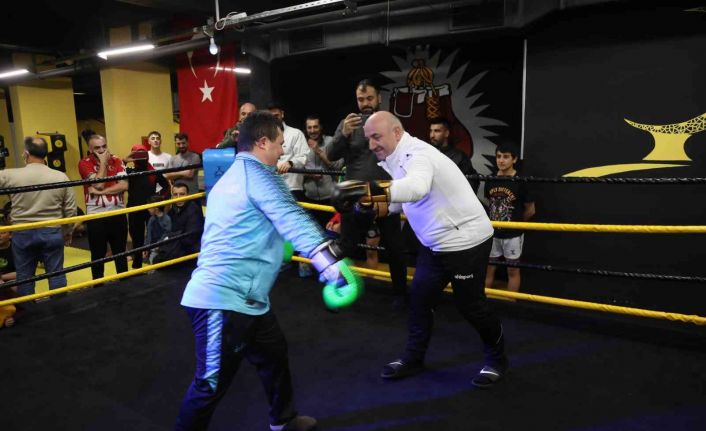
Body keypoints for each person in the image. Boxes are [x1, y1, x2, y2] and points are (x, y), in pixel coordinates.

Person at [176, 110, 356, 431]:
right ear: (262, 142)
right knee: (209, 384)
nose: (283, 151)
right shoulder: (258, 175)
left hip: (250, 300)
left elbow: (260, 227)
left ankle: (283, 421)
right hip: (221, 300)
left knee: (273, 355)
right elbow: (293, 219)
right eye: (279, 144)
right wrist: (331, 266)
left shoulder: (234, 175)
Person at [331, 111, 508, 388]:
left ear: (397, 133)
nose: (372, 144)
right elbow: (400, 201)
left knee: (471, 306)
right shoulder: (393, 159)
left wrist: (367, 189)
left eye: (377, 137)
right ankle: (414, 358)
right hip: (434, 244)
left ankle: (497, 360)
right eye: (368, 139)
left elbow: (416, 188)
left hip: (466, 242)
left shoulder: (418, 154)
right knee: (419, 301)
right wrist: (369, 209)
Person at [328, 79, 408, 305]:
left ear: (379, 98)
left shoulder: (391, 123)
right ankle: (338, 286)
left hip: (383, 192)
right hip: (354, 193)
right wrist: (343, 134)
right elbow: (331, 155)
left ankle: (400, 294)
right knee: (347, 245)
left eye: (369, 98)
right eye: (361, 99)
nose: (365, 103)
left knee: (394, 247)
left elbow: (405, 155)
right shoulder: (348, 124)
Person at [0, 136, 76, 295]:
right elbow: (70, 211)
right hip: (51, 231)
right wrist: (67, 232)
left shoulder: (11, 175)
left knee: (25, 277)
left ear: (26, 153)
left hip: (23, 232)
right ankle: (61, 307)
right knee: (56, 274)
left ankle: (28, 309)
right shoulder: (60, 176)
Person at [484, 142, 536, 294]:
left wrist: (516, 226)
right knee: (488, 269)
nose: (501, 160)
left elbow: (531, 210)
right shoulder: (490, 179)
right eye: (498, 156)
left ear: (514, 159)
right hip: (492, 233)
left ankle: (511, 304)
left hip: (513, 235)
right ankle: (484, 302)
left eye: (506, 157)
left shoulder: (521, 180)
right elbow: (489, 203)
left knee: (512, 271)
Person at [78, 134, 129, 280]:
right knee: (98, 255)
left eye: (104, 146)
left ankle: (125, 284)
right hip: (96, 216)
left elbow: (124, 185)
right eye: (97, 148)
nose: (101, 150)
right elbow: (99, 183)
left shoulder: (117, 160)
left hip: (117, 213)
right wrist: (103, 163)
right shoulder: (84, 163)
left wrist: (100, 192)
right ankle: (98, 286)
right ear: (90, 149)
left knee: (120, 253)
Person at [125, 144, 170, 269]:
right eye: (137, 155)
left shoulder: (153, 172)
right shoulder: (129, 171)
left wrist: (158, 199)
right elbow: (117, 173)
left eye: (142, 154)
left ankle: (155, 261)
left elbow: (166, 186)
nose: (141, 158)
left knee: (155, 235)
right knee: (136, 238)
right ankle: (137, 264)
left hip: (151, 209)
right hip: (134, 209)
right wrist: (125, 159)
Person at [267, 101, 309, 201]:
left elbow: (304, 157)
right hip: (271, 188)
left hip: (292, 188)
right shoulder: (265, 136)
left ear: (282, 114)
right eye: (271, 117)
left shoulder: (295, 133)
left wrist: (290, 163)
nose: (274, 119)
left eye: (276, 115)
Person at [155, 182, 204, 263]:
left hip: (190, 251)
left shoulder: (193, 209)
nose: (178, 198)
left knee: (157, 260)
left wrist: (169, 239)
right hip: (180, 246)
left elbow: (190, 239)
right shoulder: (174, 209)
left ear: (188, 195)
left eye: (182, 194)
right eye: (175, 194)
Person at [429, 117, 479, 192]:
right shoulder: (425, 155)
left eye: (437, 131)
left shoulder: (459, 157)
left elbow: (473, 181)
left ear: (446, 133)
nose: (432, 135)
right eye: (431, 131)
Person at [0, 218, 17, 328]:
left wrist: (2, 277)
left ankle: (11, 314)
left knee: (18, 286)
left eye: (2, 233)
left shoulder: (17, 249)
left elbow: (23, 273)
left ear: (10, 235)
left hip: (10, 280)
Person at [145, 195, 171, 265]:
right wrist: (146, 247)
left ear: (156, 209)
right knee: (152, 262)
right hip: (153, 249)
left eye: (149, 207)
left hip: (164, 249)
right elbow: (149, 234)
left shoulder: (167, 219)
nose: (147, 209)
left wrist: (159, 244)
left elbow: (167, 234)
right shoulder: (151, 219)